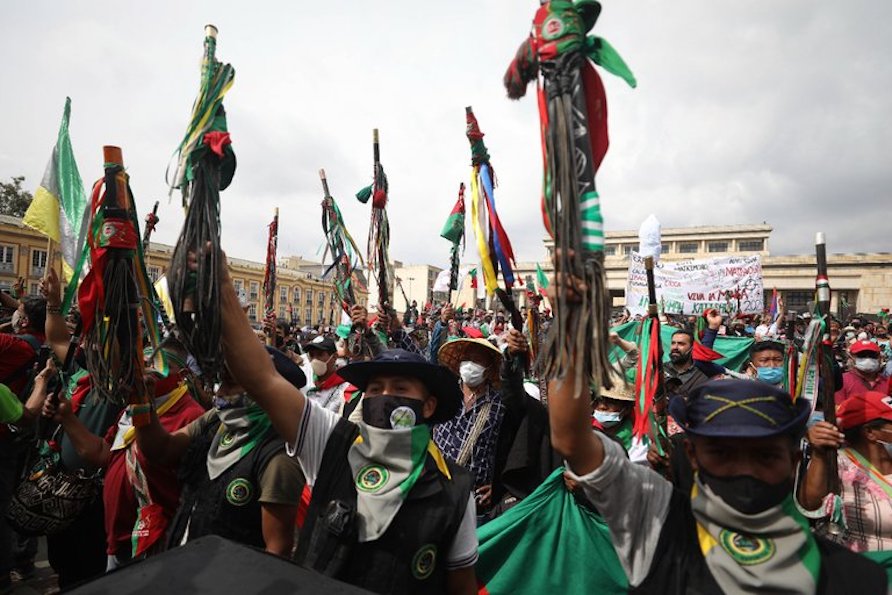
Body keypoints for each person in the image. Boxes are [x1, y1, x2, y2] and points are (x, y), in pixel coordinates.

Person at [546, 268, 885, 592]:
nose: (745, 468)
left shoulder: (855, 581)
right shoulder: (658, 526)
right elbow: (571, 439)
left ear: (795, 459)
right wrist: (570, 323)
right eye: (722, 453)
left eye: (765, 454)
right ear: (692, 455)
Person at [213, 254, 478, 594]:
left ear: (428, 406)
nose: (384, 397)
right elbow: (263, 379)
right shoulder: (330, 443)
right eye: (374, 389)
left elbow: (462, 586)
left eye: (399, 389)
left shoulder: (454, 489)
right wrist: (221, 288)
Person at [37, 343, 205, 569]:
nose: (144, 372)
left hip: (157, 543)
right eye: (141, 365)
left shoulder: (192, 417)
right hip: (118, 537)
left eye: (156, 366)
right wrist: (67, 418)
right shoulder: (130, 408)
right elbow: (103, 454)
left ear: (182, 375)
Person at [135, 347, 305, 556]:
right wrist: (142, 403)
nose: (219, 392)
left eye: (230, 384)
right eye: (221, 382)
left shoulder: (278, 457)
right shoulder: (216, 420)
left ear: (263, 390)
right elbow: (162, 450)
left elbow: (277, 551)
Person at [800, 390, 892, 552]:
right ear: (870, 432)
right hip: (863, 564)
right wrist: (819, 455)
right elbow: (810, 505)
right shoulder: (838, 464)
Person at [434, 337, 510, 524]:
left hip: (475, 503)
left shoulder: (500, 406)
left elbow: (508, 450)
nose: (470, 365)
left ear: (489, 368)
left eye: (477, 360)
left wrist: (499, 487)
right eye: (467, 358)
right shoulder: (446, 393)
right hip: (436, 491)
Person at [303, 336, 351, 413]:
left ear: (334, 357)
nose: (315, 359)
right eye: (312, 355)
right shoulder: (305, 381)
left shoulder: (345, 387)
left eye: (320, 354)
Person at [835, 340, 888, 405]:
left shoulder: (887, 382)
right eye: (862, 355)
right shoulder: (842, 381)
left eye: (872, 355)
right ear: (852, 357)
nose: (868, 359)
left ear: (879, 358)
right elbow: (837, 408)